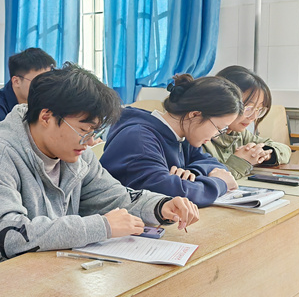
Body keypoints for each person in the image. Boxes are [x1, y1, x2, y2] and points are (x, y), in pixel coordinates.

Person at [0, 63, 199, 263]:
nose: (91, 141)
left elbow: (115, 197)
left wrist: (160, 205)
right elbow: (12, 236)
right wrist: (101, 226)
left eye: (95, 132)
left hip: (54, 266)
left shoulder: (75, 153)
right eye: (84, 130)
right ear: (46, 117)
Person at [101, 74, 243, 207]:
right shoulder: (139, 138)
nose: (216, 135)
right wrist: (220, 183)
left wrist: (191, 174)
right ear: (195, 115)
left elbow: (215, 165)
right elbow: (169, 194)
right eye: (218, 128)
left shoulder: (184, 135)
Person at [203, 66, 292, 179]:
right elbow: (208, 180)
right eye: (249, 108)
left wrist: (265, 153)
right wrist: (241, 161)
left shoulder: (239, 134)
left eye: (259, 110)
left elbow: (285, 149)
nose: (253, 117)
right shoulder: (201, 138)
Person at [0, 47, 55, 132]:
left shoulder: (44, 102)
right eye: (38, 81)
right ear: (16, 81)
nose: (44, 86)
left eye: (47, 80)